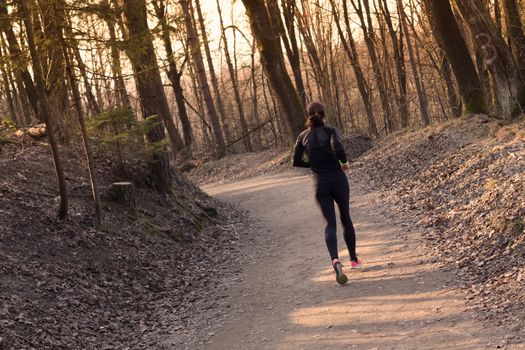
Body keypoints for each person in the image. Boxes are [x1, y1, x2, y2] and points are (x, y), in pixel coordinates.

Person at [292, 101, 362, 285]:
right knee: (345, 218)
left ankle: (335, 260)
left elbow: (296, 161)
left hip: (319, 183)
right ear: (324, 114)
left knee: (330, 224)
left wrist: (312, 165)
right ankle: (354, 259)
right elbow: (338, 147)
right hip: (338, 180)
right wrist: (343, 162)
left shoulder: (302, 136)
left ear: (308, 115)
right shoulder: (331, 131)